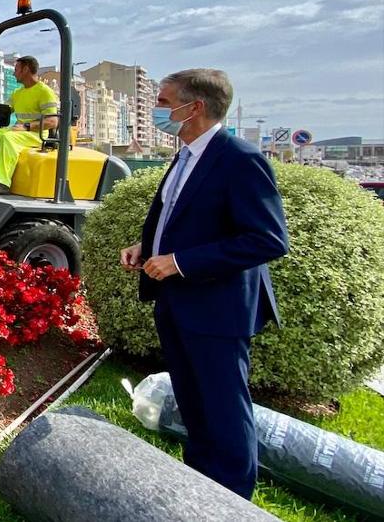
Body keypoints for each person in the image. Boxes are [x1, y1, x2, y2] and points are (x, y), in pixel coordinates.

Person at [120, 68, 288, 499]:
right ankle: (200, 487)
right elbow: (183, 217)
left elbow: (266, 239)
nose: (156, 110)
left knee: (224, 409)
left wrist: (179, 262)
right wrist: (146, 245)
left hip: (217, 308)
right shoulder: (185, 155)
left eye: (162, 102)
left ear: (193, 107)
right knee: (194, 404)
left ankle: (231, 500)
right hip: (178, 302)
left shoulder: (240, 159)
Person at [0, 55, 58, 194]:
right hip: (20, 131)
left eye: (16, 69)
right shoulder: (18, 93)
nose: (13, 73)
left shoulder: (45, 92)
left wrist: (26, 127)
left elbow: (52, 121)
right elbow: (1, 114)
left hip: (36, 134)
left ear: (26, 69)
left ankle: (1, 183)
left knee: (8, 138)